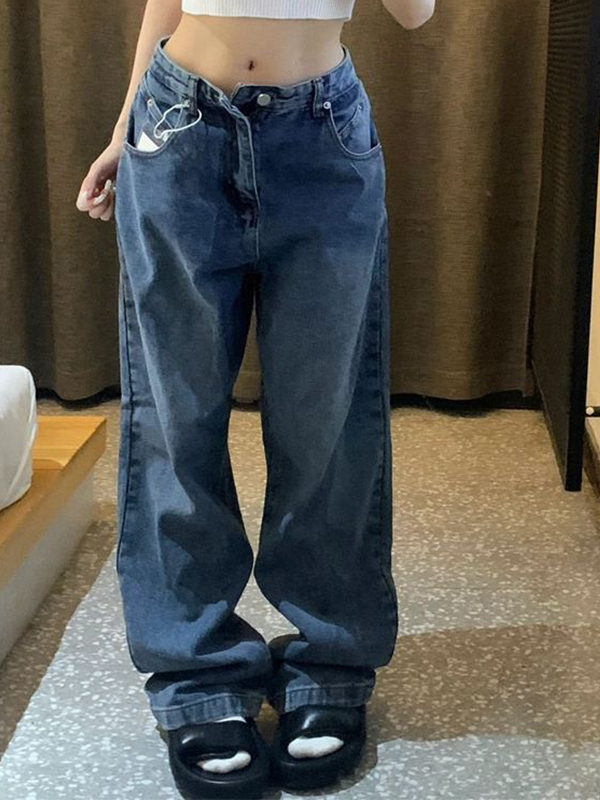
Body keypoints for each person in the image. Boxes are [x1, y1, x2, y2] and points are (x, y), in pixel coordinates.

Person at [76, 0, 435, 797]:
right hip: (177, 122)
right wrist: (124, 126)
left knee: (327, 420)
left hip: (322, 131)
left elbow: (415, 15)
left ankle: (329, 665)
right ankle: (197, 677)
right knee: (175, 420)